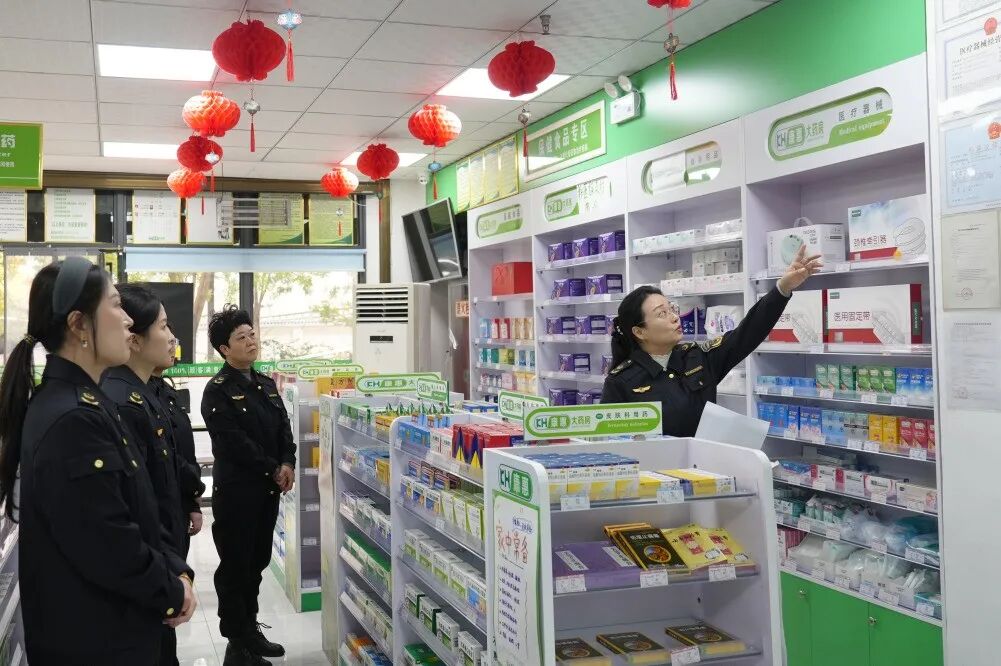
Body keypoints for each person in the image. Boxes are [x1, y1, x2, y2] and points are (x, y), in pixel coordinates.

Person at [0, 257, 195, 664]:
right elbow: (108, 543)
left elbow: (137, 508)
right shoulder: (72, 418)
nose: (128, 320)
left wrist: (176, 568)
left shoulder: (89, 402)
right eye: (115, 305)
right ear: (78, 324)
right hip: (97, 641)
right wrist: (171, 590)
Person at [601, 245, 823, 436]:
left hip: (705, 467)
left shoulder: (697, 358)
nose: (675, 317)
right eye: (662, 314)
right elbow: (612, 445)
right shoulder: (621, 382)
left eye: (672, 309)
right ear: (639, 332)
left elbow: (747, 333)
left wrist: (783, 288)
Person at [202, 305, 296, 666]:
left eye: (252, 334)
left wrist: (287, 462)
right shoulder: (218, 391)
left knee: (256, 563)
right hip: (238, 494)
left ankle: (250, 630)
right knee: (235, 567)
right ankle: (236, 640)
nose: (251, 341)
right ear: (225, 349)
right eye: (241, 337)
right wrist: (272, 468)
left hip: (267, 492)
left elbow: (283, 428)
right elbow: (233, 443)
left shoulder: (266, 384)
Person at [101, 284, 188, 666]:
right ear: (134, 339)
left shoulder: (145, 393)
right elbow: (132, 510)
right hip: (148, 573)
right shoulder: (123, 401)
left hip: (162, 561)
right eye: (164, 327)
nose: (172, 338)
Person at [152, 323, 205, 557]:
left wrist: (192, 503)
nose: (173, 345)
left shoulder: (165, 390)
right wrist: (195, 488)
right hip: (160, 510)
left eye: (174, 341)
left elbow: (183, 449)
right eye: (166, 336)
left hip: (178, 503)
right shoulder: (137, 397)